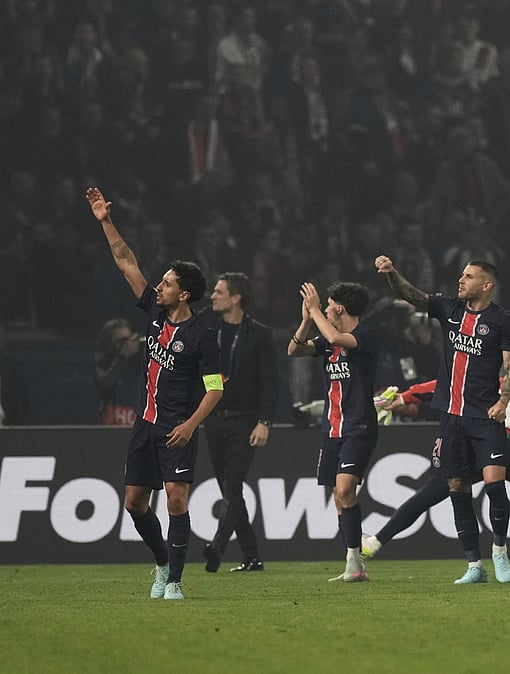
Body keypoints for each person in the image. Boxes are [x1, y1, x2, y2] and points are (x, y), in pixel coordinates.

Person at [87, 186, 224, 601]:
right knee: (134, 504)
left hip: (178, 427)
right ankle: (163, 561)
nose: (158, 287)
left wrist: (190, 424)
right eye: (160, 282)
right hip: (145, 424)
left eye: (166, 283)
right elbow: (126, 260)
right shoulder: (152, 310)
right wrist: (106, 221)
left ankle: (176, 581)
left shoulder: (202, 334)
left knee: (177, 503)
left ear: (183, 294)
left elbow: (216, 389)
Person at [376, 255, 510, 584]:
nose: (461, 281)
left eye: (469, 277)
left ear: (486, 285)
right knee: (457, 487)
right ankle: (474, 565)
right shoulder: (450, 309)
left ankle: (499, 550)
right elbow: (414, 295)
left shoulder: (502, 320)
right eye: (462, 275)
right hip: (451, 417)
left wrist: (504, 401)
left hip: (485, 416)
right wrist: (391, 273)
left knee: (496, 484)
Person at [361, 355, 510, 571]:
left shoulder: (500, 384)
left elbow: (443, 386)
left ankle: (377, 541)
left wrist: (405, 397)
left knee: (430, 493)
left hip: (490, 445)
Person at [287, 280, 378, 582]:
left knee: (344, 489)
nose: (324, 309)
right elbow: (295, 350)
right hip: (332, 428)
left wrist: (314, 311)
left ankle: (355, 560)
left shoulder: (364, 336)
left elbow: (337, 337)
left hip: (359, 425)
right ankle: (354, 563)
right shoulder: (328, 343)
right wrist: (304, 320)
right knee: (340, 498)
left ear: (339, 308)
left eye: (327, 306)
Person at [200, 272, 277, 573]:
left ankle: (218, 545)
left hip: (245, 422)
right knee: (229, 490)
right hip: (214, 420)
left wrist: (265, 421)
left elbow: (269, 382)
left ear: (236, 298)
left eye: (219, 292)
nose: (213, 296)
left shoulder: (258, 334)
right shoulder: (210, 328)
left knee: (233, 484)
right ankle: (251, 555)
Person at [94, 318, 144, 426]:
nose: (127, 345)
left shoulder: (142, 364)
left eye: (129, 340)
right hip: (110, 429)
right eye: (121, 341)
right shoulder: (103, 364)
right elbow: (105, 384)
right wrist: (122, 356)